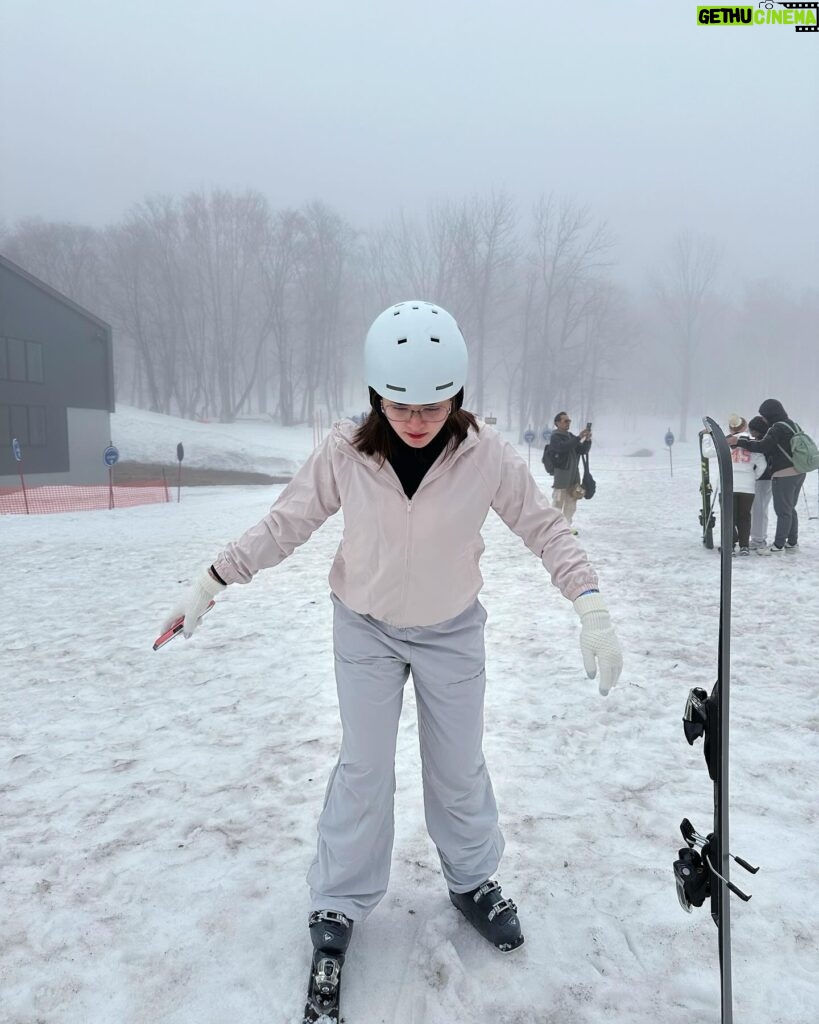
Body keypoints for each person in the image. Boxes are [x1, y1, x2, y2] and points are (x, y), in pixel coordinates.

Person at [160, 300, 623, 993]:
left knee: (458, 764)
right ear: (376, 395)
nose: (415, 420)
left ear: (456, 397)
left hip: (451, 629)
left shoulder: (487, 456)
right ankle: (339, 901)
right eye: (400, 404)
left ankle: (470, 880)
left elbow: (545, 529)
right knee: (364, 766)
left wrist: (589, 606)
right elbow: (285, 523)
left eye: (433, 406)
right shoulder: (344, 453)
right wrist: (211, 578)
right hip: (366, 628)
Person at [730, 398, 805, 554]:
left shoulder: (777, 428)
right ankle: (792, 542)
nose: (763, 419)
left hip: (784, 473)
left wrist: (740, 442)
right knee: (790, 508)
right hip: (799, 471)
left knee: (782, 511)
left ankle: (778, 546)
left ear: (771, 413)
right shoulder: (791, 424)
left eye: (764, 415)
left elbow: (763, 447)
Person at [702, 414, 756, 555]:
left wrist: (707, 436)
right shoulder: (752, 441)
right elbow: (760, 462)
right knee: (745, 516)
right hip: (748, 485)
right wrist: (753, 475)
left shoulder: (724, 441)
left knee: (729, 516)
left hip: (728, 484)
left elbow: (707, 453)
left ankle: (730, 545)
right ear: (745, 426)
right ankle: (744, 546)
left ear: (731, 428)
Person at [547, 412, 592, 528]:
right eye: (565, 421)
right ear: (557, 423)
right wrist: (578, 438)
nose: (568, 423)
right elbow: (563, 447)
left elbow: (582, 450)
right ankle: (554, 527)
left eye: (569, 421)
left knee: (571, 504)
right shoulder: (555, 437)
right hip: (561, 477)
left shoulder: (571, 436)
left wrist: (587, 440)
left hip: (573, 477)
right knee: (558, 503)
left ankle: (566, 527)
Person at [747, 414, 773, 551]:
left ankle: (758, 540)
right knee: (762, 509)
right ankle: (760, 537)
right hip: (768, 479)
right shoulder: (767, 440)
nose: (750, 433)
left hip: (762, 480)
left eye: (752, 430)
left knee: (758, 510)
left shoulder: (761, 443)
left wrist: (755, 475)